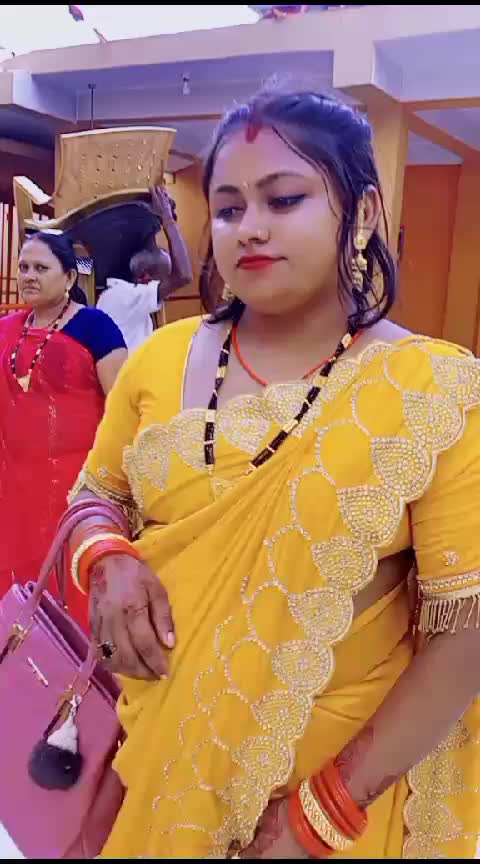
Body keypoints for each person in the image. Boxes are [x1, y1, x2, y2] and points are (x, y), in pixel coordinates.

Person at [68, 90, 480, 858]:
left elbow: (467, 632)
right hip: (152, 765)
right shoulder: (160, 357)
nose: (249, 227)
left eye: (283, 199)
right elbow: (97, 495)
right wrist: (108, 560)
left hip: (317, 806)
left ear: (362, 213)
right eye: (228, 209)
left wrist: (324, 813)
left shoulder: (431, 388)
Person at [0, 231, 127, 631]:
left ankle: (76, 663)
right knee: (16, 581)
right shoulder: (6, 329)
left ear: (70, 277)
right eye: (23, 267)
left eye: (41, 267)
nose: (28, 276)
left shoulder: (95, 327)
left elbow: (123, 408)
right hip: (15, 486)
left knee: (72, 583)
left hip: (78, 486)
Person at [97, 186, 193, 353]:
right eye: (164, 279)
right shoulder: (123, 296)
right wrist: (167, 220)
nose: (168, 292)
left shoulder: (123, 297)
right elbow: (184, 276)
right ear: (144, 277)